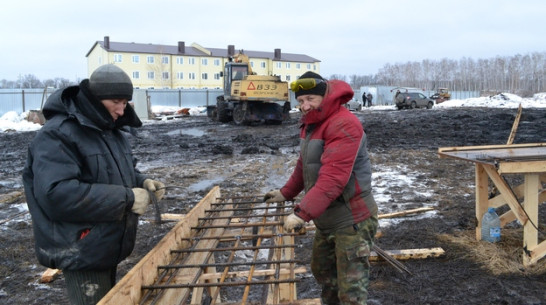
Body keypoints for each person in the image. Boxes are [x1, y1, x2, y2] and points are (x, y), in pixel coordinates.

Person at [22, 64, 165, 305]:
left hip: (104, 245)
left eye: (125, 102)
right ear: (95, 99)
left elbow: (119, 172)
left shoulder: (109, 131)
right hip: (80, 249)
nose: (122, 110)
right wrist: (128, 198)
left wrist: (143, 181)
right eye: (116, 102)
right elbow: (57, 194)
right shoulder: (57, 134)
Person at [264, 71, 378, 304]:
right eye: (301, 101)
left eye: (310, 99)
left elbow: (333, 178)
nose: (305, 106)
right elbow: (305, 164)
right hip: (326, 218)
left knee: (351, 292)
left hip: (351, 219)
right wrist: (286, 193)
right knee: (324, 275)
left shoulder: (344, 123)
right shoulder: (312, 124)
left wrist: (301, 213)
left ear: (324, 96)